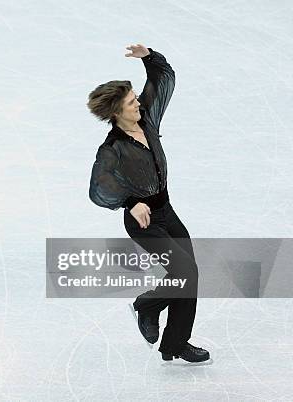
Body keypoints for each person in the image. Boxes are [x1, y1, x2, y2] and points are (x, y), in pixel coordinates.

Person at [87, 44, 210, 363]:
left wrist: (149, 57)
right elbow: (99, 188)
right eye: (130, 102)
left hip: (166, 211)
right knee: (185, 272)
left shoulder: (147, 120)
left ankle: (173, 343)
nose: (137, 102)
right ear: (117, 112)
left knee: (189, 275)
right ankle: (147, 305)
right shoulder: (112, 149)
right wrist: (130, 202)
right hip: (143, 222)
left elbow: (164, 79)